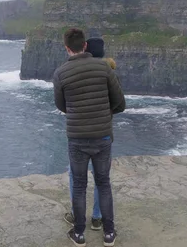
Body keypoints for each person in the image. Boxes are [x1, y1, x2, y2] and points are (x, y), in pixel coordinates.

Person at [53, 29, 126, 247]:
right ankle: (109, 233)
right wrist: (104, 112)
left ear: (67, 48)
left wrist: (79, 112)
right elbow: (120, 102)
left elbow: (61, 105)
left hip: (77, 138)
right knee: (103, 183)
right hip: (102, 137)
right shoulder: (104, 67)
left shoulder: (60, 73)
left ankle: (79, 235)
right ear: (84, 45)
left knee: (79, 186)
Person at [64, 38, 110, 231]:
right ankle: (98, 218)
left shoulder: (77, 73)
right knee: (102, 178)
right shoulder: (108, 72)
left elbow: (63, 102)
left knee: (75, 177)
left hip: (80, 135)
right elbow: (118, 102)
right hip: (103, 133)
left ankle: (77, 217)